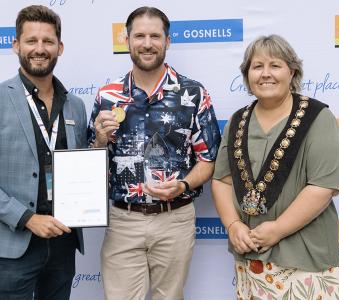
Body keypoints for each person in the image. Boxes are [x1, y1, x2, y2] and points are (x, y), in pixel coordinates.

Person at [87, 6, 221, 300]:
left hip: (175, 219)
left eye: (154, 36)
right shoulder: (107, 96)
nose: (147, 43)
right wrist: (98, 140)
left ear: (167, 41)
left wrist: (184, 185)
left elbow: (209, 159)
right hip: (124, 219)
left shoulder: (193, 93)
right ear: (127, 40)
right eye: (140, 36)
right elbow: (91, 163)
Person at [212, 35, 339, 300]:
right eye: (257, 66)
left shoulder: (317, 118)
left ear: (292, 71)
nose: (265, 74)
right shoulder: (238, 121)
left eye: (275, 65)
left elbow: (324, 185)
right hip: (250, 256)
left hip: (304, 256)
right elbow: (222, 180)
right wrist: (232, 226)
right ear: (247, 74)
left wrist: (277, 229)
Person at [0, 5, 87, 300]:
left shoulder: (76, 105)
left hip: (63, 242)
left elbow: (82, 168)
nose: (40, 49)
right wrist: (26, 217)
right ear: (16, 46)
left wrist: (100, 139)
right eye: (31, 41)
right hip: (14, 245)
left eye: (48, 41)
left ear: (60, 48)